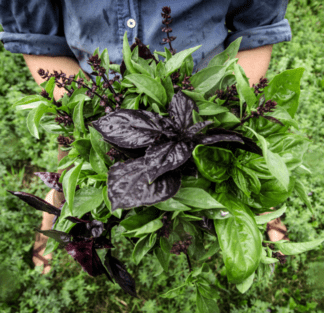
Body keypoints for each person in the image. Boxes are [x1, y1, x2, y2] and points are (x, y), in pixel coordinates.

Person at [0, 0, 291, 274]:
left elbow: (257, 26)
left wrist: (216, 121)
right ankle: (58, 205)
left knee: (239, 167)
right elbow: (36, 35)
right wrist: (103, 123)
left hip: (207, 99)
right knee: (72, 167)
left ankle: (258, 202)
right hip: (87, 95)